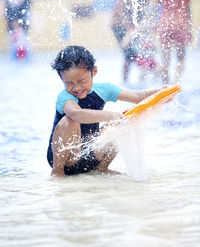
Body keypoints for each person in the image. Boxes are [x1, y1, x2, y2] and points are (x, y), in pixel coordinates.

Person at [47, 45, 162, 177]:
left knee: (121, 123)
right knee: (69, 121)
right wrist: (111, 115)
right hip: (68, 158)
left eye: (81, 80)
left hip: (91, 157)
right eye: (69, 83)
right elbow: (77, 114)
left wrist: (161, 94)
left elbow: (139, 97)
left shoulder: (104, 89)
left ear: (94, 71)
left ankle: (102, 168)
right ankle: (57, 171)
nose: (76, 87)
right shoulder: (65, 97)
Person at [111, 0, 159, 83]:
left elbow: (142, 14)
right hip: (119, 25)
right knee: (128, 54)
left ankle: (131, 81)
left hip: (131, 27)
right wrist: (129, 30)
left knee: (136, 53)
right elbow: (121, 10)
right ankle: (125, 82)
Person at [154, 0, 192, 84]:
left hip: (165, 22)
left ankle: (165, 86)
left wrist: (154, 24)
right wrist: (190, 27)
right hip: (181, 23)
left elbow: (157, 6)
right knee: (181, 57)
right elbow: (187, 6)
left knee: (165, 57)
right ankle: (176, 84)